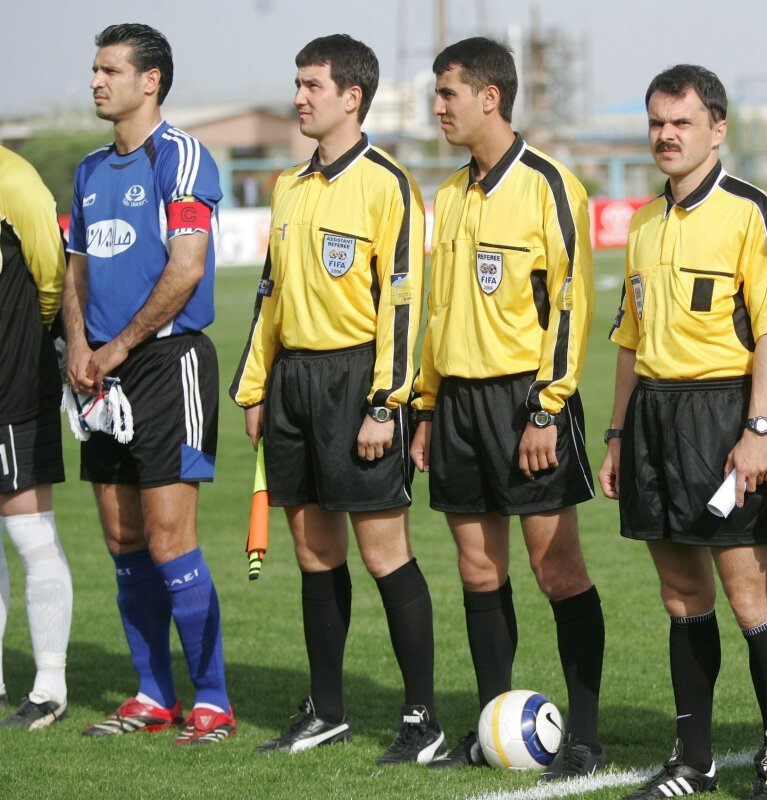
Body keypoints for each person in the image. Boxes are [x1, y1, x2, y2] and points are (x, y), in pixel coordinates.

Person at [230, 34, 440, 764]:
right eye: (297, 83)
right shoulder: (288, 185)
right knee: (313, 552)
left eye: (312, 85)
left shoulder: (389, 184)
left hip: (359, 383)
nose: (299, 97)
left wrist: (385, 404)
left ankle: (422, 719)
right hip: (292, 384)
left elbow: (404, 304)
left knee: (384, 552)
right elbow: (269, 294)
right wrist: (256, 387)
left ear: (352, 97)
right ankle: (327, 711)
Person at [600, 64, 767, 800]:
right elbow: (630, 340)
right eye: (657, 122)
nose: (666, 135)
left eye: (681, 122)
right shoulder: (643, 223)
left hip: (725, 416)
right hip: (653, 417)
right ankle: (694, 760)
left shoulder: (752, 211)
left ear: (718, 129)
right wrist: (617, 434)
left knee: (750, 597)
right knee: (682, 595)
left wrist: (758, 431)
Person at [411, 36, 605, 781]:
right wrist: (428, 405)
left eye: (447, 94)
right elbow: (438, 311)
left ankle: (585, 736)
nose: (437, 107)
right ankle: (494, 725)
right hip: (457, 404)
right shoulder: (450, 194)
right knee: (477, 568)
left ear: (489, 97)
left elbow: (572, 306)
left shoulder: (552, 185)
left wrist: (547, 409)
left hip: (526, 400)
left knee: (557, 569)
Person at [62, 22, 234, 744]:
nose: (96, 81)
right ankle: (151, 695)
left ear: (150, 80)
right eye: (96, 69)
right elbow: (75, 271)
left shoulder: (182, 156)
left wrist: (119, 347)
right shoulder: (88, 169)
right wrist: (79, 346)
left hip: (167, 363)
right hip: (99, 372)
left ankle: (213, 701)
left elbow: (186, 269)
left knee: (169, 538)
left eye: (110, 70)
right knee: (122, 538)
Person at [0, 146, 73, 730]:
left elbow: (51, 276)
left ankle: (50, 688)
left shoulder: (14, 178)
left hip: (13, 380)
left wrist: (32, 339)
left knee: (29, 533)